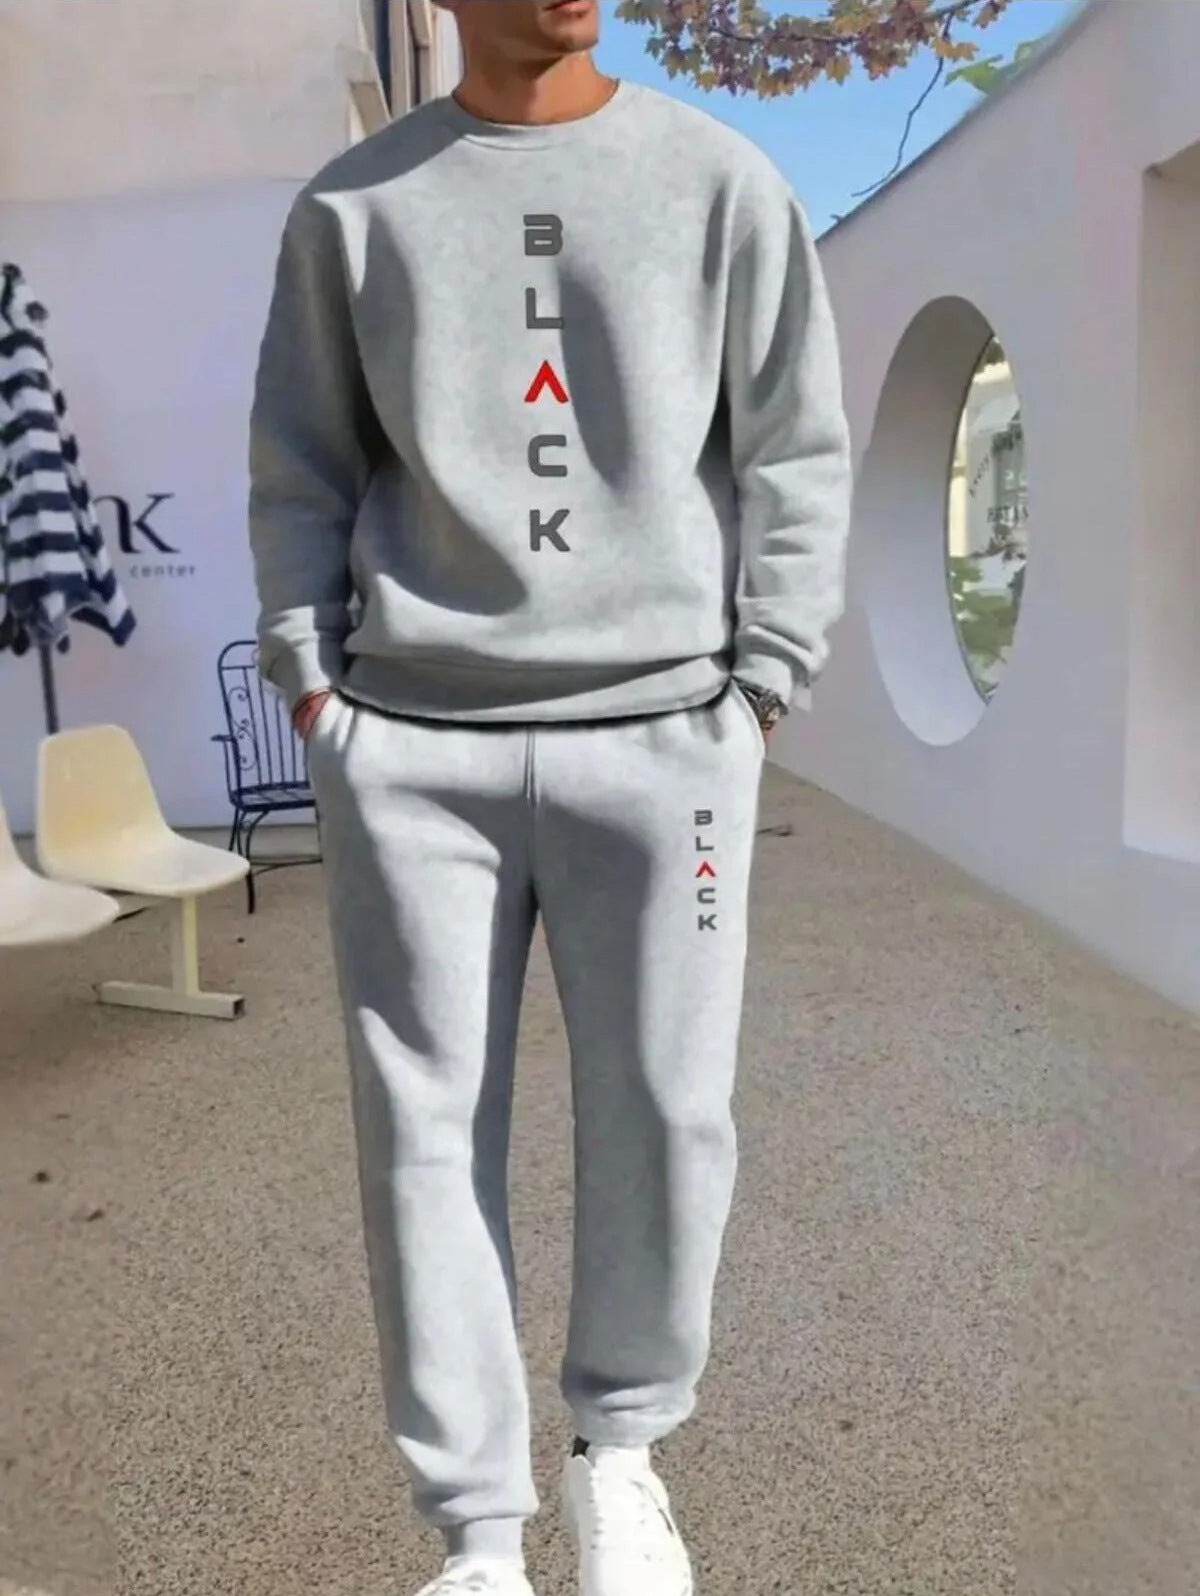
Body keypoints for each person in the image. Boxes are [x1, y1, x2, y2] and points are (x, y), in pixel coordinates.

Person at [247, 1, 851, 1590]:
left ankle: (623, 1455)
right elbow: (302, 461)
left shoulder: (721, 180)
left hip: (665, 742)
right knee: (421, 1134)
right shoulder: (352, 207)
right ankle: (475, 1535)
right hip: (414, 748)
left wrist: (763, 682)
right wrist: (314, 682)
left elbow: (796, 445)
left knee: (669, 1112)